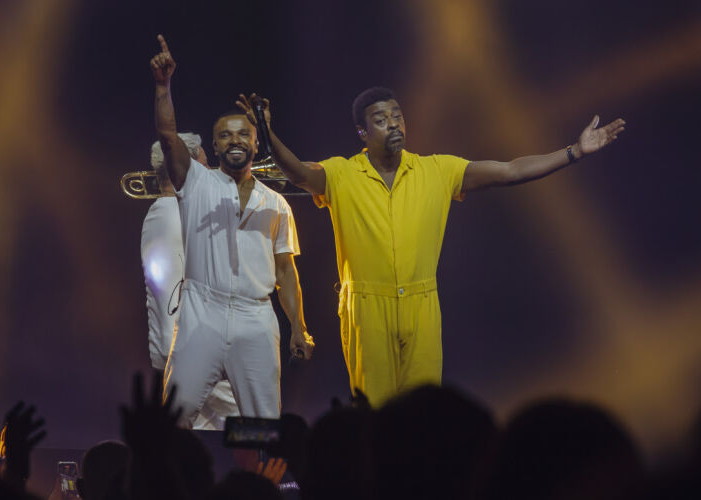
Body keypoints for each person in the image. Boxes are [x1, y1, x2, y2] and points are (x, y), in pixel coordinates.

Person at [236, 87, 625, 407]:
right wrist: (269, 136)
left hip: (422, 305)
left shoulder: (438, 170)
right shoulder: (341, 173)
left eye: (397, 115)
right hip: (367, 309)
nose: (393, 124)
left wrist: (573, 152)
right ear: (362, 132)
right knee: (376, 416)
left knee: (422, 417)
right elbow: (298, 173)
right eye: (381, 119)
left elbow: (510, 171)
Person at [150, 35, 314, 427]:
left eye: (244, 134)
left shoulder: (276, 203)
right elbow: (168, 137)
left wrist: (298, 327)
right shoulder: (197, 182)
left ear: (257, 142)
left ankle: (256, 486)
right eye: (225, 135)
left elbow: (286, 272)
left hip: (256, 317)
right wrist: (163, 86)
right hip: (201, 311)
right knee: (174, 418)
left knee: (261, 425)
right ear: (215, 144)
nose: (235, 140)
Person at [143, 135, 240, 430]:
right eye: (205, 166)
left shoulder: (160, 213)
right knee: (256, 438)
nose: (213, 173)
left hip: (182, 355)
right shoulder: (183, 215)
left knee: (197, 460)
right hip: (202, 355)